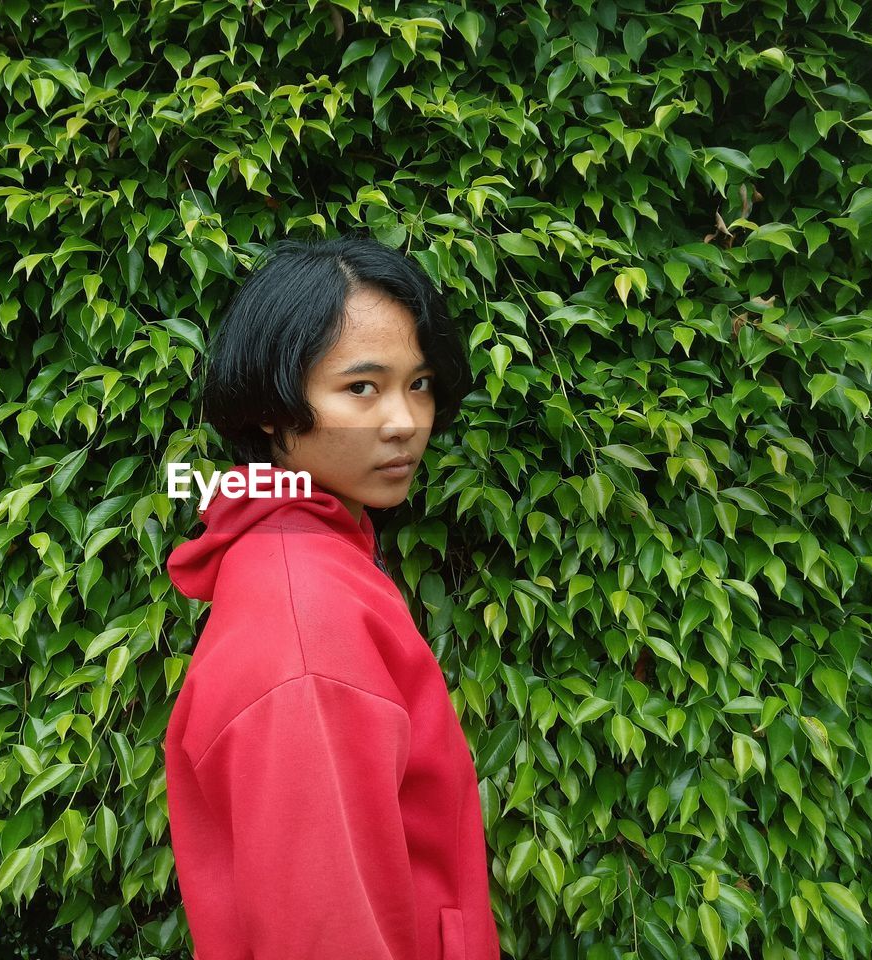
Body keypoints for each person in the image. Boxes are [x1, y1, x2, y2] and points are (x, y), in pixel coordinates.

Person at [163, 233, 501, 960]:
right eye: (361, 387)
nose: (407, 421)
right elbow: (323, 930)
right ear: (271, 408)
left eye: (419, 383)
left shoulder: (306, 551)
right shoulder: (305, 618)